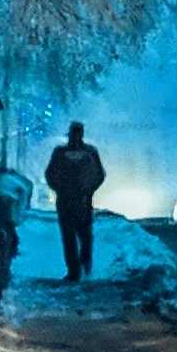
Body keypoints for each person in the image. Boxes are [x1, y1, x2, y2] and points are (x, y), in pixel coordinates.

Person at [43, 119, 108, 282]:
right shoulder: (88, 153)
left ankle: (78, 269)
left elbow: (50, 174)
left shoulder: (63, 153)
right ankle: (79, 268)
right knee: (78, 235)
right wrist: (88, 191)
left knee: (75, 236)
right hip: (78, 200)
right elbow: (99, 175)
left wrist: (62, 189)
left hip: (75, 200)